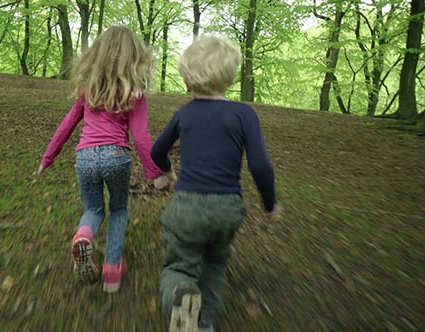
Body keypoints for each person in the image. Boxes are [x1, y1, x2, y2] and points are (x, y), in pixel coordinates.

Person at [150, 36, 281, 331]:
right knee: (215, 265)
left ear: (187, 78)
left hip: (187, 206)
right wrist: (270, 205)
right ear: (230, 77)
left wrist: (167, 173)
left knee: (179, 267)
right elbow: (260, 165)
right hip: (227, 208)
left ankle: (179, 298)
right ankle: (205, 323)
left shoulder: (184, 113)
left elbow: (157, 151)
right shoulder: (244, 114)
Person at [36, 26, 170, 293]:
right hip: (117, 156)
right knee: (119, 209)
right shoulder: (134, 94)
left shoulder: (88, 91)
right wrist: (155, 174)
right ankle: (111, 271)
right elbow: (141, 137)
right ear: (135, 58)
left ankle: (84, 234)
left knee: (94, 209)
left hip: (84, 157)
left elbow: (66, 126)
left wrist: (47, 158)